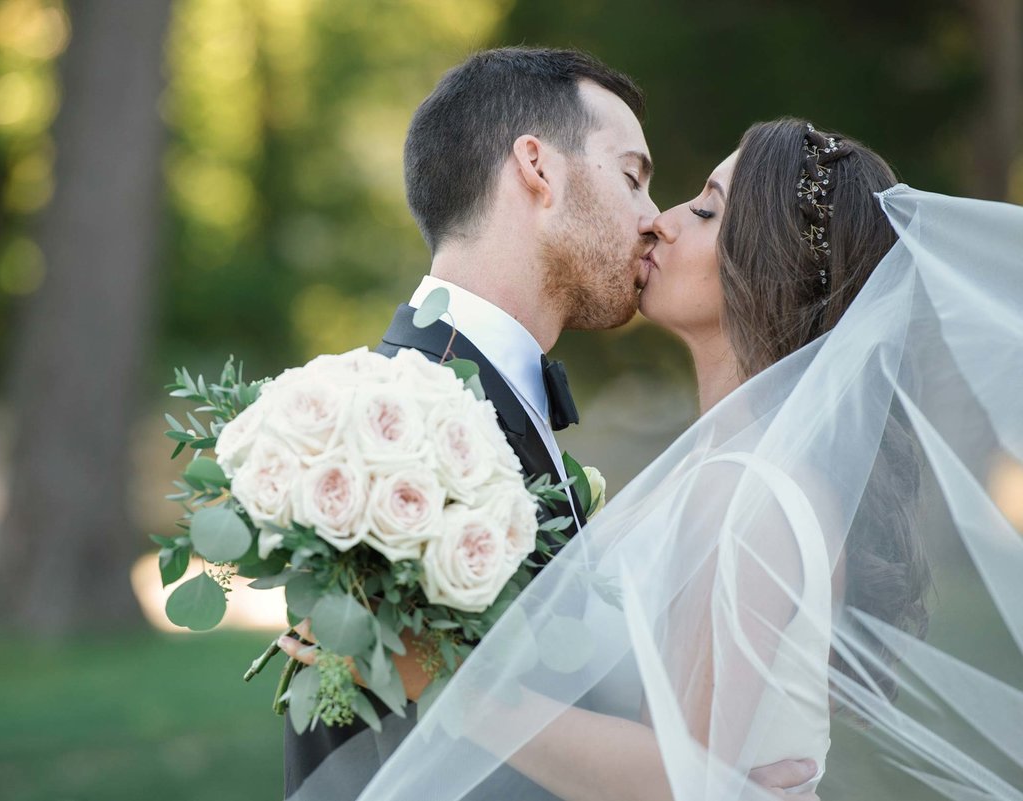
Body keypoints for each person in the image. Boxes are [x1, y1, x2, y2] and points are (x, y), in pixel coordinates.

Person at [287, 117, 1023, 800]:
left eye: (704, 210)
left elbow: (682, 778)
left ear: (766, 265)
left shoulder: (747, 487)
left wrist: (446, 680)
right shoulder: (737, 467)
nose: (659, 223)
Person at [282, 46, 819, 800]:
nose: (652, 220)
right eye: (633, 176)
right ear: (538, 166)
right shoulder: (382, 432)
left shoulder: (505, 410)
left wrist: (713, 780)